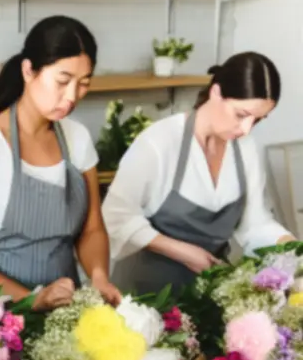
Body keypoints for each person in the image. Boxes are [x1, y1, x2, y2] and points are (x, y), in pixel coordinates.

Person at [0, 15, 121, 310]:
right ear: (28, 71)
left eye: (84, 84)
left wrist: (98, 276)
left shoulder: (78, 139)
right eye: (62, 81)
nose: (72, 96)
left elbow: (91, 229)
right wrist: (30, 300)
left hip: (59, 314)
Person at [104, 51, 292, 294]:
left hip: (208, 293)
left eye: (258, 120)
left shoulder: (246, 150)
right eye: (241, 115)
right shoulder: (159, 142)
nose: (246, 129)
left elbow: (254, 223)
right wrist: (182, 252)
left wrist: (293, 249)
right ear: (216, 93)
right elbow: (117, 216)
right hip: (145, 294)